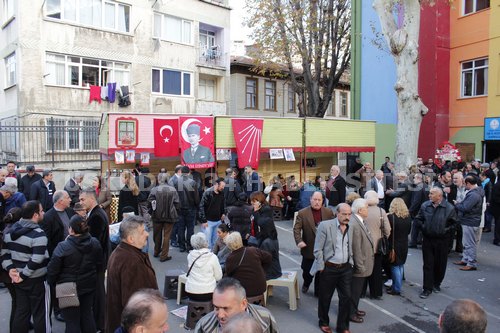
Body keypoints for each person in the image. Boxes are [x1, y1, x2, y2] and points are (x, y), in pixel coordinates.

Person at [47, 215, 103, 333]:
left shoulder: (63, 246)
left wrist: (52, 282)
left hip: (66, 288)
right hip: (88, 284)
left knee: (72, 320)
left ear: (71, 229)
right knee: (87, 315)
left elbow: (52, 270)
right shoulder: (95, 243)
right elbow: (99, 264)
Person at [1, 200, 51, 333]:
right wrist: (22, 275)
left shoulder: (9, 232)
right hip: (36, 280)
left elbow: (4, 254)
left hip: (18, 279)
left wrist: (11, 270)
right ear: (35, 215)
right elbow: (37, 259)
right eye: (41, 211)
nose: (43, 213)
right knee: (41, 314)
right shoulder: (39, 233)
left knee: (21, 313)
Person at [106, 215, 158, 333]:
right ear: (131, 239)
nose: (147, 234)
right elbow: (135, 306)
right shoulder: (131, 262)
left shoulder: (121, 253)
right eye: (142, 231)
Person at [310, 203, 353, 333]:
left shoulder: (352, 226)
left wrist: (351, 262)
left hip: (345, 268)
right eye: (344, 214)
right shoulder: (325, 226)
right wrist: (322, 266)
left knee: (346, 297)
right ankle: (323, 322)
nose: (347, 217)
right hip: (329, 268)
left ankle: (343, 327)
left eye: (349, 214)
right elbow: (317, 249)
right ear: (337, 213)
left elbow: (351, 246)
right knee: (325, 297)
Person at [414, 187, 457, 299]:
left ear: (439, 196)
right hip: (428, 239)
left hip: (442, 241)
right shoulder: (425, 206)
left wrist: (445, 231)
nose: (429, 195)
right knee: (428, 264)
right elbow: (418, 219)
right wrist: (424, 228)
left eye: (432, 194)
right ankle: (427, 288)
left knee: (440, 264)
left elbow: (454, 224)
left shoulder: (449, 208)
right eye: (430, 193)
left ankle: (436, 283)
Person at [194, 277, 278, 333]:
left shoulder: (266, 317)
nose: (220, 315)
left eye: (226, 308)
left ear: (243, 304)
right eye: (216, 307)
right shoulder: (203, 325)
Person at [41, 190, 74, 321]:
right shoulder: (48, 216)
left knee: (68, 281)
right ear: (60, 201)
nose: (70, 199)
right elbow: (47, 239)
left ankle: (68, 307)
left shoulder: (70, 212)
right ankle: (58, 310)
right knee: (58, 283)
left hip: (71, 253)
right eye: (67, 197)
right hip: (57, 255)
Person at [79, 187, 110, 331]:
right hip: (99, 260)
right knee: (98, 294)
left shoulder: (96, 215)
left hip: (97, 262)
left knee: (98, 295)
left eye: (82, 199)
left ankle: (100, 324)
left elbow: (94, 242)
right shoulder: (95, 213)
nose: (81, 202)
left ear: (92, 199)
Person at [293, 191, 334, 295]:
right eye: (314, 199)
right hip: (309, 248)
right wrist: (299, 241)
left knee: (321, 272)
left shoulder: (328, 212)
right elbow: (296, 229)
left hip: (324, 249)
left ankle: (318, 291)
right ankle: (306, 283)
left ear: (322, 201)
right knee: (307, 272)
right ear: (310, 199)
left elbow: (334, 227)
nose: (316, 202)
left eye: (319, 200)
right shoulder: (303, 213)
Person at [349, 198, 374, 324]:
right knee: (355, 290)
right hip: (360, 265)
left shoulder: (359, 221)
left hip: (363, 263)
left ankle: (354, 308)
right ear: (360, 210)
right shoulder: (354, 223)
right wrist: (359, 266)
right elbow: (356, 248)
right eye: (366, 207)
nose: (368, 209)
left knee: (357, 290)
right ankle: (351, 313)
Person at [224, 232, 271, 298]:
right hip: (261, 287)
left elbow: (228, 275)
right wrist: (262, 269)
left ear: (229, 245)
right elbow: (268, 257)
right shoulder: (253, 250)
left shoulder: (230, 258)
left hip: (244, 291)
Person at [363, 191, 391, 300]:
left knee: (363, 270)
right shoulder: (381, 211)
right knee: (376, 270)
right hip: (377, 246)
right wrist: (383, 238)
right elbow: (387, 229)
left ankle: (361, 292)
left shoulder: (362, 210)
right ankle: (376, 293)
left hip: (364, 246)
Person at [454, 175, 484, 271]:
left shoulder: (473, 195)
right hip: (470, 220)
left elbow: (465, 208)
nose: (463, 185)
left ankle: (471, 263)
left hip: (470, 221)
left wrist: (457, 204)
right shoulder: (475, 192)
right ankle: (466, 259)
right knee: (466, 242)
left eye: (464, 183)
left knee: (470, 243)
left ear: (468, 183)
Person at [148, 173, 180, 261]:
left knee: (157, 234)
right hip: (170, 215)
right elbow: (177, 203)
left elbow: (149, 202)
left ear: (159, 179)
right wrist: (176, 212)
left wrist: (151, 212)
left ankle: (156, 251)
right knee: (167, 236)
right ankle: (164, 255)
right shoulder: (173, 190)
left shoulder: (154, 190)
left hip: (157, 216)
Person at [0, 207, 22, 333]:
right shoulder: (12, 233)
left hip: (6, 274)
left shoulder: (6, 230)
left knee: (17, 301)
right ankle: (14, 327)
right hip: (9, 273)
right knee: (17, 302)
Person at [168, 165, 200, 252]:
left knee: (181, 227)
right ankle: (189, 246)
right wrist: (197, 206)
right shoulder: (192, 182)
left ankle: (182, 246)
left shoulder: (176, 182)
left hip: (179, 208)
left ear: (181, 172)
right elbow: (196, 197)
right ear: (189, 172)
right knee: (190, 228)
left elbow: (173, 196)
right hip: (191, 208)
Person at [385, 198, 412, 296]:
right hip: (404, 243)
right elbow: (409, 231)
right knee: (400, 265)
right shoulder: (408, 217)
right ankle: (398, 285)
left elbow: (387, 232)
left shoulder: (391, 217)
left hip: (394, 245)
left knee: (394, 266)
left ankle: (397, 288)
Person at [186, 233, 223, 301]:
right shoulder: (212, 257)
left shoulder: (190, 256)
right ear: (205, 243)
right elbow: (218, 277)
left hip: (191, 291)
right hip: (208, 292)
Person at [199, 177, 226, 249]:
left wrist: (223, 213)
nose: (223, 188)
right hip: (208, 221)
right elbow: (201, 206)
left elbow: (223, 204)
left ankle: (213, 256)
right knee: (207, 242)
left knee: (215, 241)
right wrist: (204, 220)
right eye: (222, 186)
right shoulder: (207, 192)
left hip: (218, 221)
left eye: (224, 186)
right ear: (217, 184)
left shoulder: (222, 193)